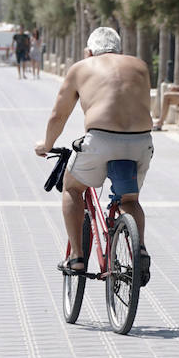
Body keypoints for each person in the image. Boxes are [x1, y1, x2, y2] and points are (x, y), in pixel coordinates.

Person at [34, 26, 152, 283]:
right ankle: (139, 247)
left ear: (89, 52)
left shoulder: (81, 67)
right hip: (141, 141)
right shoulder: (140, 66)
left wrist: (47, 144)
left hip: (101, 139)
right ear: (119, 50)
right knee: (129, 199)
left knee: (72, 188)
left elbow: (58, 115)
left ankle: (76, 257)